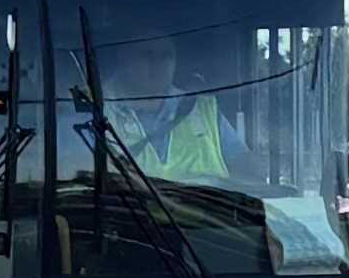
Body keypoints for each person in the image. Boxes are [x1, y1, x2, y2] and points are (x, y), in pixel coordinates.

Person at [103, 30, 253, 183]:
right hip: (121, 206)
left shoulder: (201, 108)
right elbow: (82, 177)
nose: (158, 63)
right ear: (123, 58)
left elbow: (246, 170)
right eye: (147, 54)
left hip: (205, 205)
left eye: (166, 55)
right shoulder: (93, 107)